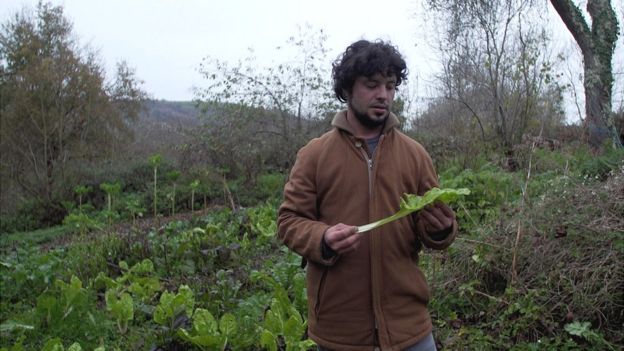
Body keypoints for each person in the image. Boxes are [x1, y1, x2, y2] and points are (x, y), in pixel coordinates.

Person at [277, 39, 458, 351]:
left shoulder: (415, 155)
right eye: (372, 85)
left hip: (408, 327)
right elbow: (289, 221)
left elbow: (431, 230)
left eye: (390, 86)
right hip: (340, 331)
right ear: (348, 89)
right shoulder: (315, 154)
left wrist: (441, 229)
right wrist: (322, 238)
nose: (383, 95)